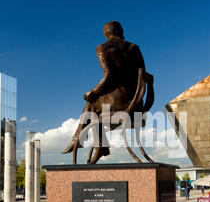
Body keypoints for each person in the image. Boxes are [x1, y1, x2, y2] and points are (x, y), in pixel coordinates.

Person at [62, 21, 153, 164]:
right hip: (136, 104)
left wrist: (94, 92)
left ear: (106, 33)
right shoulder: (134, 48)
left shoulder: (102, 48)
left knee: (91, 103)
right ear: (119, 31)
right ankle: (84, 141)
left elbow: (109, 74)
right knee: (92, 104)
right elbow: (143, 75)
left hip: (120, 106)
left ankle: (84, 141)